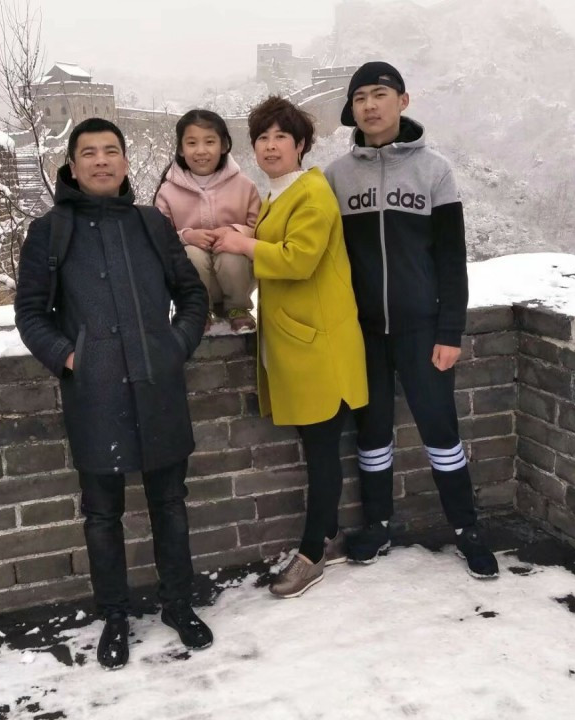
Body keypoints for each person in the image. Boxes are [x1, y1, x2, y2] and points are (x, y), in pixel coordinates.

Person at [14, 117, 213, 670]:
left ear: (125, 162)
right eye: (89, 153)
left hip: (158, 385)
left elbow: (192, 295)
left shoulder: (151, 224)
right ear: (72, 166)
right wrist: (70, 357)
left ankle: (178, 603)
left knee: (170, 504)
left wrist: (175, 346)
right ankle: (116, 615)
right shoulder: (50, 231)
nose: (101, 161)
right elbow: (30, 313)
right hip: (94, 393)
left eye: (110, 151)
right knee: (102, 515)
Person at [324, 62, 499, 579]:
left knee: (441, 430)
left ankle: (466, 529)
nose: (370, 105)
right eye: (360, 97)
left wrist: (450, 332)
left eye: (380, 95)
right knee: (372, 433)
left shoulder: (434, 171)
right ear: (351, 109)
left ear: (402, 101)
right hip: (361, 333)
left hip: (422, 330)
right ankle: (377, 525)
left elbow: (451, 259)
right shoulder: (335, 177)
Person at [212, 97, 368, 598]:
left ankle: (312, 553)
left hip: (319, 347)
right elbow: (278, 237)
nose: (270, 145)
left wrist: (243, 245)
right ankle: (329, 536)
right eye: (262, 137)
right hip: (299, 344)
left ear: (301, 144)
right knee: (316, 449)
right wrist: (249, 232)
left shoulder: (313, 193)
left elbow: (299, 259)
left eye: (281, 136)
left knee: (321, 454)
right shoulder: (281, 193)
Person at [154, 109, 260, 333]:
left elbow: (260, 230)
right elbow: (159, 237)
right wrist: (186, 236)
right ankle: (199, 311)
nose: (201, 150)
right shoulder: (168, 192)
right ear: (181, 149)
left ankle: (238, 310)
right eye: (192, 143)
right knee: (191, 253)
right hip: (192, 282)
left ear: (223, 145)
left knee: (232, 253)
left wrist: (234, 233)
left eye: (209, 142)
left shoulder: (244, 186)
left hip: (238, 279)